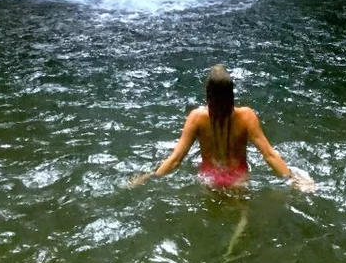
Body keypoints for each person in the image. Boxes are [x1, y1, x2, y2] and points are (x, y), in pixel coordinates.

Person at [130, 64, 314, 191]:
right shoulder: (247, 116)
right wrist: (293, 178)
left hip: (208, 178)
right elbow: (269, 155)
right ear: (231, 93)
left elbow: (176, 159)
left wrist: (150, 177)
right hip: (239, 179)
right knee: (241, 219)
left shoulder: (196, 118)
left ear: (208, 94)